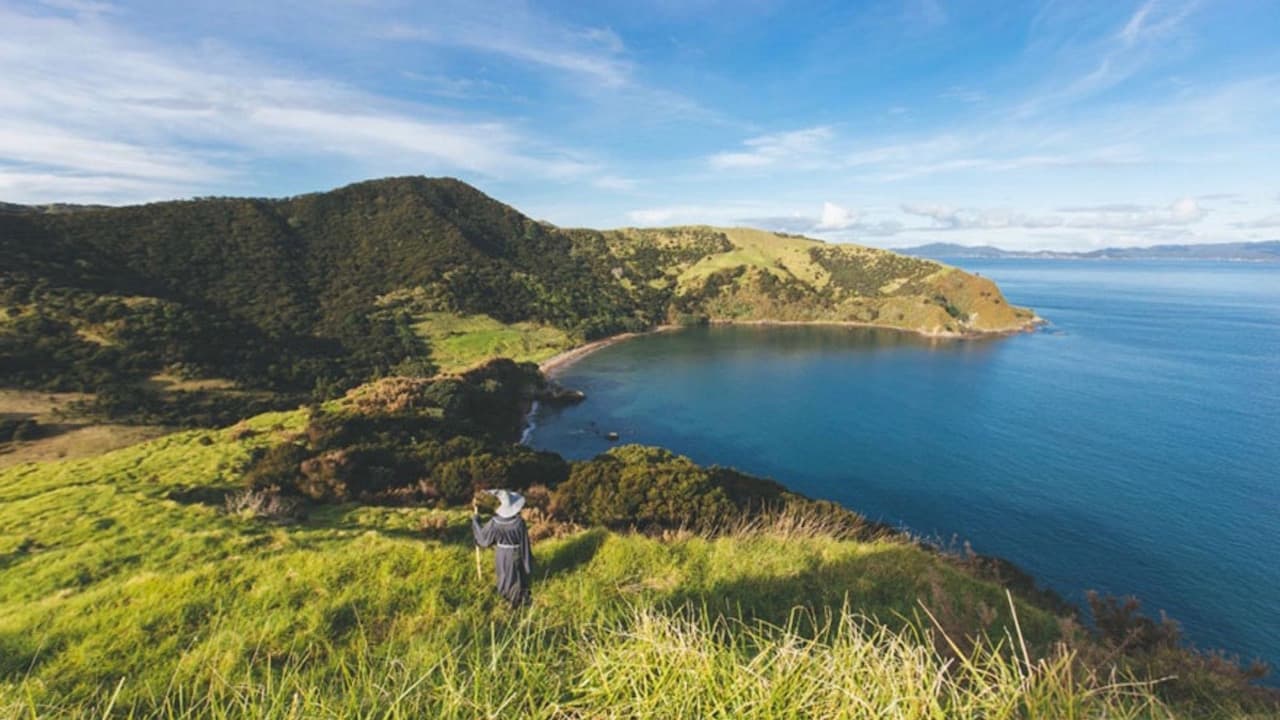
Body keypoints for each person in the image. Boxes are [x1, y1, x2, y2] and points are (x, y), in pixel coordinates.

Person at [472, 489, 533, 607]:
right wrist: (527, 564)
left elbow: (484, 538)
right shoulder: (519, 522)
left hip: (500, 553)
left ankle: (505, 597)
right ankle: (514, 599)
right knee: (514, 575)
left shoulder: (495, 522)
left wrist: (476, 521)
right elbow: (525, 543)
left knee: (503, 574)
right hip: (515, 553)